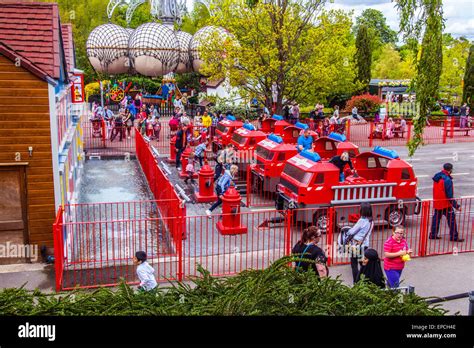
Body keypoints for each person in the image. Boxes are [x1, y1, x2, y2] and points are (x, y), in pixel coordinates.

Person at [430, 163, 464, 242]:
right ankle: (454, 236)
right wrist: (457, 206)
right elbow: (449, 196)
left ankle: (433, 234)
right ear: (450, 170)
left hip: (437, 203)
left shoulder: (437, 176)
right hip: (445, 204)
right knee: (452, 220)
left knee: (436, 219)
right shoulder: (447, 180)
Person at [344, 202, 374, 283]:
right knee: (362, 264)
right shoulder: (371, 221)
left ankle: (356, 282)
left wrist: (347, 231)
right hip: (365, 245)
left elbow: (351, 231)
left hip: (356, 245)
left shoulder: (362, 221)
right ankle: (366, 281)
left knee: (354, 265)